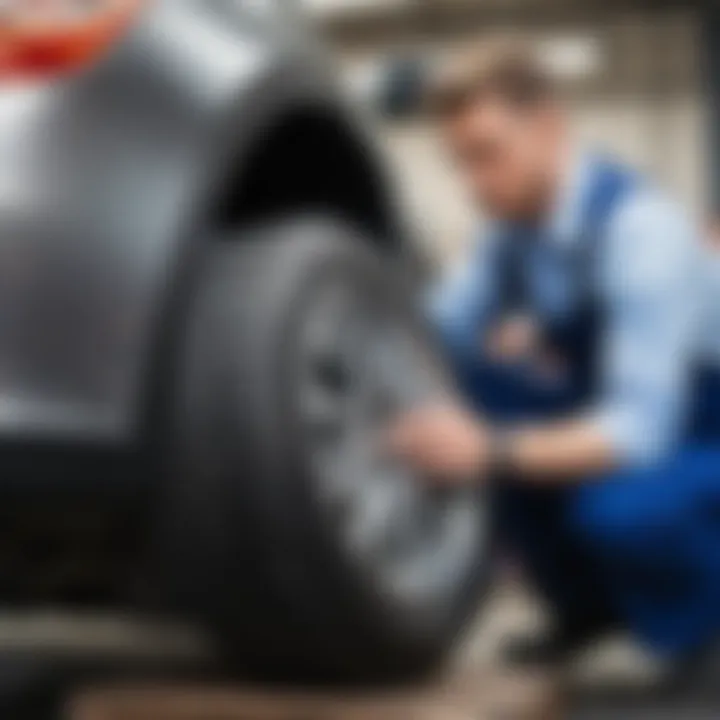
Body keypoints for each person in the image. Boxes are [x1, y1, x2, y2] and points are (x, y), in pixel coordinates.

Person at [387, 38, 720, 669]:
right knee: (470, 392)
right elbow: (441, 338)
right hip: (623, 416)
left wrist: (490, 450)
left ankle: (703, 633)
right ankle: (587, 611)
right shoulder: (510, 233)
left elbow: (639, 435)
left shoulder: (640, 232)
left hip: (700, 428)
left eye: (489, 155)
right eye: (459, 163)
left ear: (548, 128)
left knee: (618, 511)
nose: (475, 184)